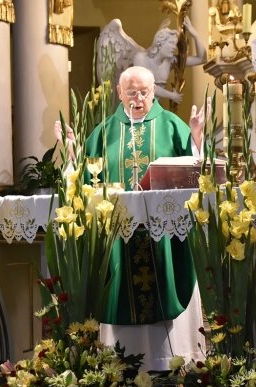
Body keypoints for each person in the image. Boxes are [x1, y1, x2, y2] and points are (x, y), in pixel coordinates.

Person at [55, 65, 209, 371]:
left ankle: (169, 360)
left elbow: (195, 174)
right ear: (119, 93)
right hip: (118, 238)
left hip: (162, 238)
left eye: (144, 92)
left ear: (153, 92)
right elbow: (84, 180)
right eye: (131, 92)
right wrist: (71, 152)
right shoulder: (103, 132)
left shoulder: (172, 125)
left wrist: (195, 138)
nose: (138, 99)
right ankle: (119, 363)